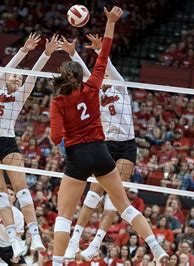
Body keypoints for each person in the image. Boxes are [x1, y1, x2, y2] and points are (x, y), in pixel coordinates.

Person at [49, 7, 168, 266]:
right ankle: (157, 249)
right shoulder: (93, 88)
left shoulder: (62, 99)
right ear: (82, 78)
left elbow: (55, 137)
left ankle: (59, 261)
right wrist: (110, 23)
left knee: (63, 217)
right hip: (102, 150)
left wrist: (59, 125)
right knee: (121, 204)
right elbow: (103, 56)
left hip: (90, 152)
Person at [0, 32, 59, 256]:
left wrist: (45, 54)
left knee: (22, 190)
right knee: (0, 192)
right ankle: (14, 240)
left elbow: (32, 75)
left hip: (7, 142)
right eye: (14, 77)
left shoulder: (22, 94)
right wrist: (24, 50)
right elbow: (8, 69)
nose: (16, 78)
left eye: (19, 78)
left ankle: (34, 235)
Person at [61, 33, 137, 260]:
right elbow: (84, 72)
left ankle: (96, 243)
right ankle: (74, 240)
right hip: (104, 146)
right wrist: (71, 52)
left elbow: (108, 65)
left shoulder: (120, 87)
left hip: (126, 147)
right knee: (93, 195)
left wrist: (98, 50)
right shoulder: (92, 92)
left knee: (115, 197)